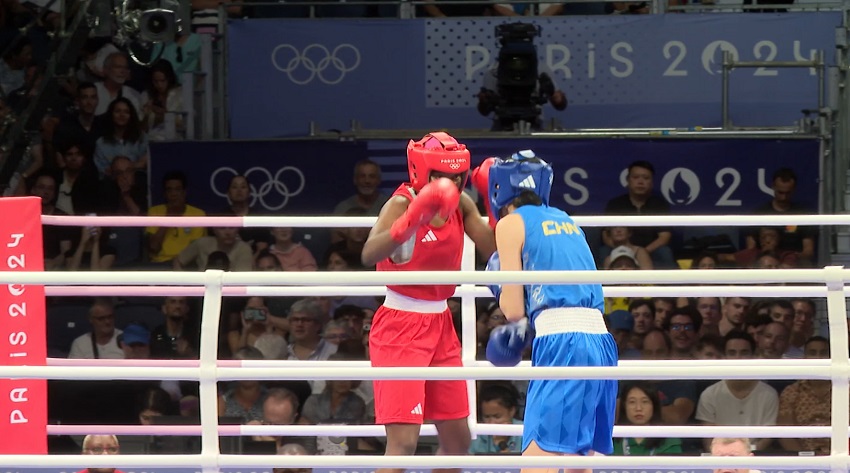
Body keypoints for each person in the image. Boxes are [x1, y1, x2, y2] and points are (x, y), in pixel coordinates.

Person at [361, 132, 496, 473]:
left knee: (457, 441)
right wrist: (408, 223)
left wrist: (495, 206)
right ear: (423, 172)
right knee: (403, 443)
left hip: (441, 326)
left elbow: (493, 249)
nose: (449, 183)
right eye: (441, 176)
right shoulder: (401, 203)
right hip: (400, 324)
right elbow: (368, 253)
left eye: (456, 176)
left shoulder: (462, 203)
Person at [482, 150, 617, 473]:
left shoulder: (510, 224)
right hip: (600, 342)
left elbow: (513, 310)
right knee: (577, 460)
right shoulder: (567, 221)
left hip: (563, 343)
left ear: (499, 190)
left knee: (537, 462)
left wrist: (499, 286)